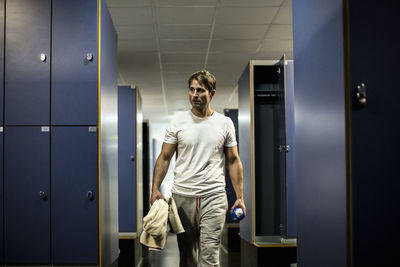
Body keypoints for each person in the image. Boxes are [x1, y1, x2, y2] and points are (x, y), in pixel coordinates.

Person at [150, 70, 246, 267]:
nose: (195, 94)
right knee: (187, 256)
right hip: (182, 197)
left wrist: (240, 197)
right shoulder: (178, 121)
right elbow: (165, 157)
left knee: (210, 256)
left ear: (212, 93)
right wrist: (155, 189)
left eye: (200, 90)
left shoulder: (224, 123)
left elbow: (233, 160)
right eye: (192, 89)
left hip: (214, 196)